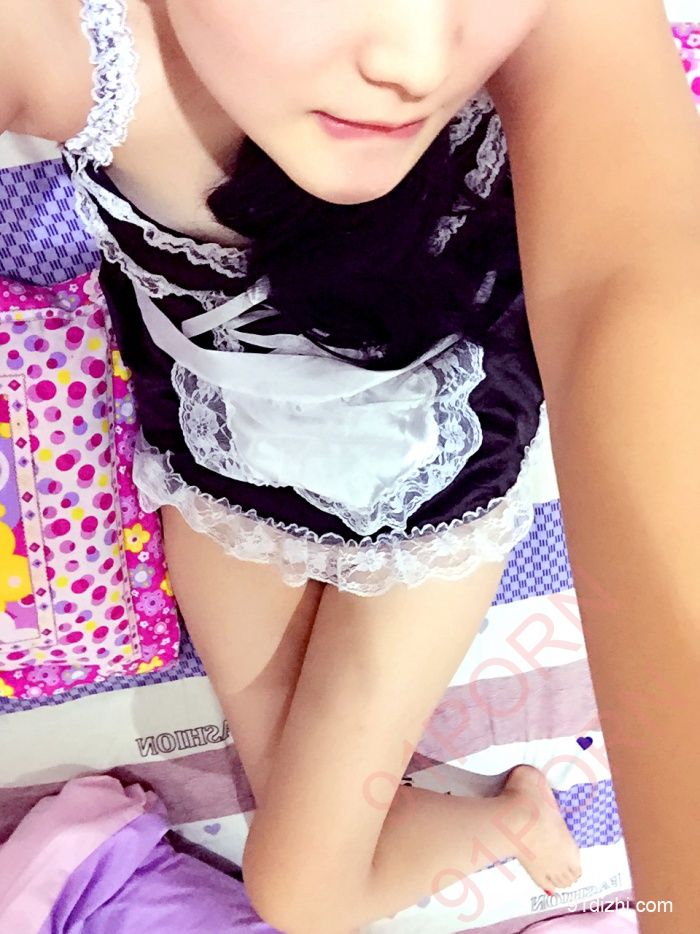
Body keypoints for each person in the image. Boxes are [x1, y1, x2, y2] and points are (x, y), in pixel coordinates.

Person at [1, 1, 699, 931]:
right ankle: (497, 820)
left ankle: (505, 822)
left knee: (303, 897)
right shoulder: (87, 50)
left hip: (428, 500)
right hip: (226, 483)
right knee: (312, 873)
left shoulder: (550, 33)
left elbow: (633, 289)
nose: (415, 59)